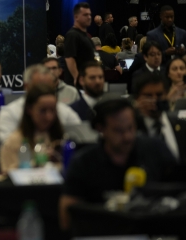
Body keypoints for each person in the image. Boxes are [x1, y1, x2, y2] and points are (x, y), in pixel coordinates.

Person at [59, 98, 177, 230]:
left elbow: (179, 193)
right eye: (118, 131)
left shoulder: (156, 150)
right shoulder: (84, 163)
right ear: (100, 129)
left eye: (131, 128)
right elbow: (67, 216)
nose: (127, 136)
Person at [0, 65, 81, 143]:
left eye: (48, 87)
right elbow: (7, 148)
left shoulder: (65, 112)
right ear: (26, 87)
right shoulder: (10, 114)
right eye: (39, 87)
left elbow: (80, 139)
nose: (44, 92)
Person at [0, 84, 63, 173]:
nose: (49, 117)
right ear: (29, 109)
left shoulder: (62, 139)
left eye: (53, 110)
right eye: (43, 111)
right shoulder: (13, 142)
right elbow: (5, 177)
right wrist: (35, 163)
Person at [133, 72, 186, 163]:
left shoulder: (181, 126)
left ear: (166, 95)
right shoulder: (131, 130)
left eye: (159, 95)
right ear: (137, 99)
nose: (154, 100)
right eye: (148, 96)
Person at [64, 2, 96, 86]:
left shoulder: (86, 36)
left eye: (90, 14)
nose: (89, 17)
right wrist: (77, 78)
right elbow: (69, 58)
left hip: (86, 82)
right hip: (76, 86)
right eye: (85, 15)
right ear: (76, 17)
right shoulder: (72, 35)